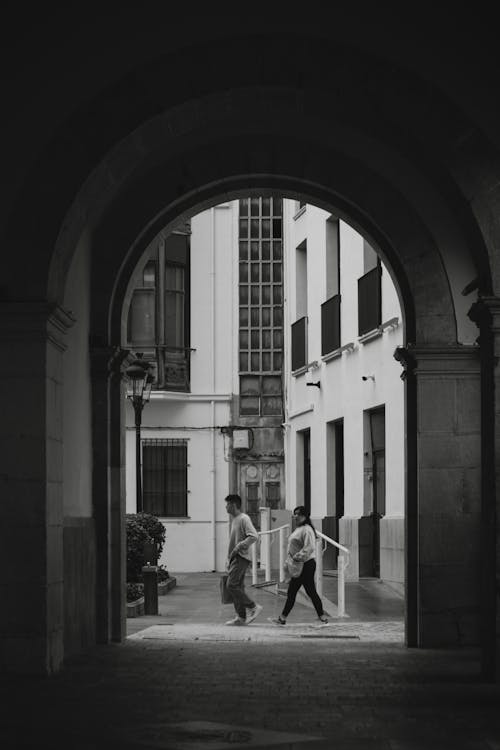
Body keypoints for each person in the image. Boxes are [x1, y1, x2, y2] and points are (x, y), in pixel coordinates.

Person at [272, 505, 328, 625]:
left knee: (306, 591)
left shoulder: (306, 529)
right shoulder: (299, 528)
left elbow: (310, 547)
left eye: (298, 514)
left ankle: (283, 618)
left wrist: (297, 557)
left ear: (305, 516)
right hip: (300, 565)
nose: (295, 516)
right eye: (295, 513)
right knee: (300, 591)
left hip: (305, 565)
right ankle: (283, 618)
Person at [225, 494, 263, 626]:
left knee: (231, 585)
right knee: (237, 587)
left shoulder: (243, 518)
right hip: (236, 557)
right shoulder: (235, 519)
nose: (226, 507)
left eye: (227, 504)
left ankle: (253, 607)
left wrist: (238, 547)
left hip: (241, 557)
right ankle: (241, 617)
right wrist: (229, 558)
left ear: (233, 505)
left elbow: (254, 536)